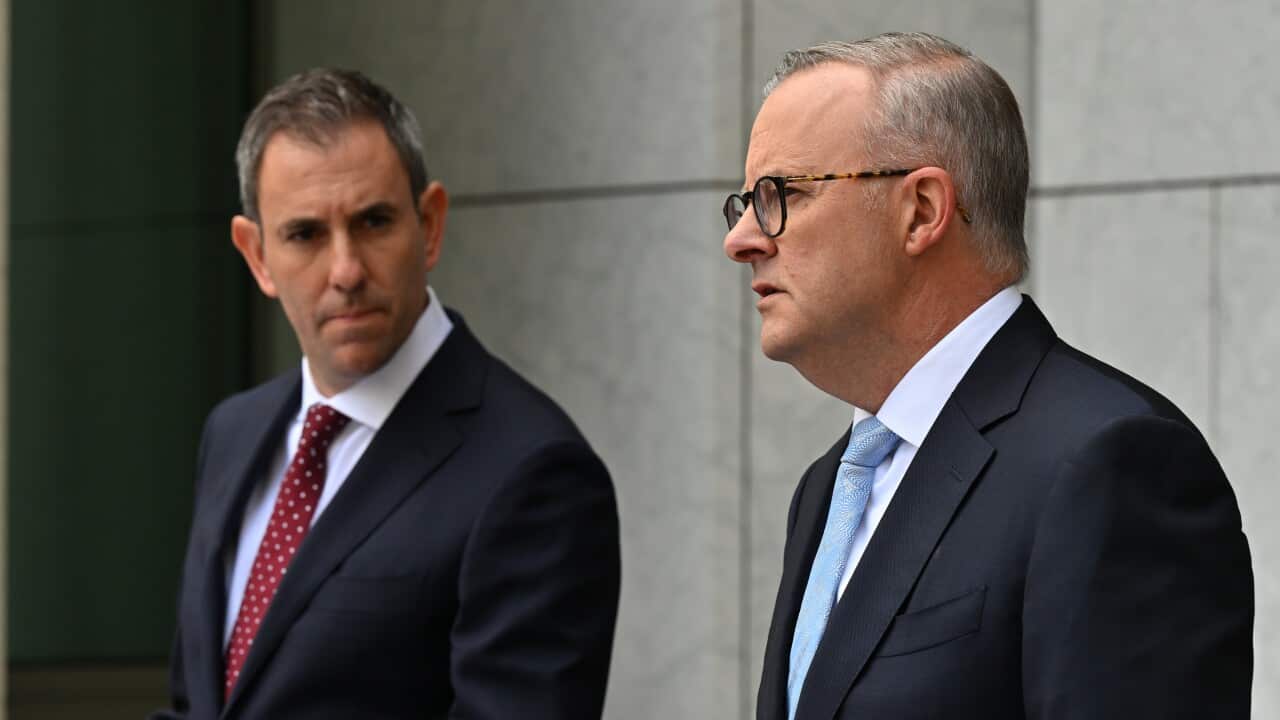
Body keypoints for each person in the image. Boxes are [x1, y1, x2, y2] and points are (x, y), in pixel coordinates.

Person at [725, 33, 1253, 720]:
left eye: (782, 194)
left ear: (921, 211)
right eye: (744, 205)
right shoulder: (831, 486)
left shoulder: (1109, 463)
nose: (742, 240)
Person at [153, 68, 620, 719]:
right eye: (305, 234)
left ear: (429, 225)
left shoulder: (532, 470)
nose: (345, 270)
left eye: (373, 222)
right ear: (256, 254)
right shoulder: (234, 433)